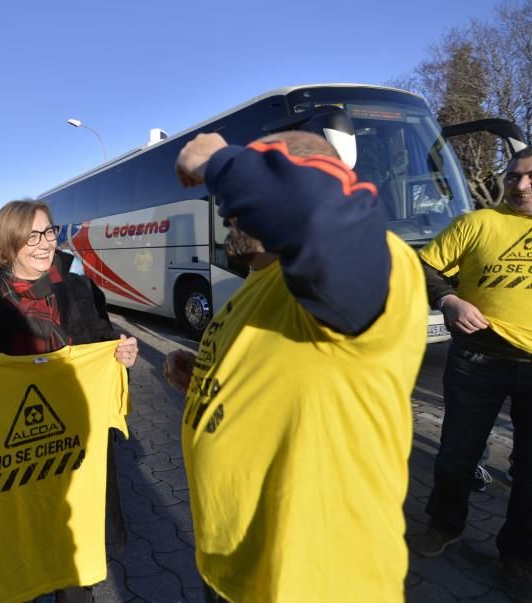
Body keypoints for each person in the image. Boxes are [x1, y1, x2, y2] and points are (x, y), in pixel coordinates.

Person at [163, 131, 427, 601]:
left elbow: (317, 215)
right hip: (234, 570)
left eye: (263, 171)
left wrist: (219, 159)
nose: (227, 209)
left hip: (314, 580)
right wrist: (208, 377)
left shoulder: (386, 262)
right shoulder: (260, 282)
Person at [0, 199, 139, 602]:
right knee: (13, 576)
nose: (45, 243)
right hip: (14, 477)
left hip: (73, 466)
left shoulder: (80, 292)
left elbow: (105, 344)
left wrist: (121, 356)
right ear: (8, 245)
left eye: (49, 232)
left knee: (76, 586)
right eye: (33, 236)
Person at [410, 147, 531, 599]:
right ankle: (444, 526)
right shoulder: (477, 223)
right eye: (514, 176)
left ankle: (519, 555)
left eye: (530, 178)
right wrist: (449, 300)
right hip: (477, 360)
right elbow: (421, 266)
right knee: (458, 455)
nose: (519, 186)